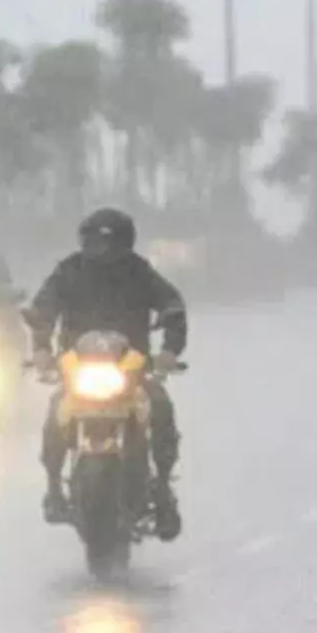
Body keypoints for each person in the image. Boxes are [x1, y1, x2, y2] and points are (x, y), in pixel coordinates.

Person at [23, 207, 187, 541]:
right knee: (56, 413)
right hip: (77, 368)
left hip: (130, 369)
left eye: (109, 245)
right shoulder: (68, 271)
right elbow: (42, 309)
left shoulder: (139, 272)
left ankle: (163, 490)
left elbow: (172, 305)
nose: (102, 252)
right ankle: (54, 486)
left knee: (159, 405)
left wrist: (170, 351)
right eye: (95, 243)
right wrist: (41, 349)